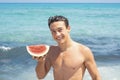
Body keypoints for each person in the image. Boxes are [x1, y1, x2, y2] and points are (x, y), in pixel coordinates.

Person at [33, 15, 101, 80]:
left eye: (60, 30)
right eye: (53, 31)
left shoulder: (83, 51)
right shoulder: (51, 51)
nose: (57, 34)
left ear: (68, 28)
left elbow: (96, 77)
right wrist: (41, 62)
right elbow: (40, 76)